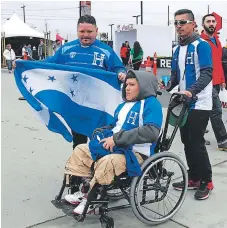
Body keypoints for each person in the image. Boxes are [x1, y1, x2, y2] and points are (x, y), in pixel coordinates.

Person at [63, 70, 163, 214]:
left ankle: (92, 199)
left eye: (132, 84)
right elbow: (113, 126)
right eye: (126, 84)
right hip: (116, 145)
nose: (126, 88)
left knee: (107, 161)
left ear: (143, 86)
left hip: (136, 153)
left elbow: (151, 132)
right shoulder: (124, 105)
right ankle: (85, 190)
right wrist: (102, 134)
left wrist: (116, 139)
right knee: (81, 150)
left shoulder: (152, 104)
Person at [45, 15, 127, 150]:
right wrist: (25, 64)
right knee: (79, 143)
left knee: (100, 141)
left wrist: (121, 73)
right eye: (82, 31)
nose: (85, 35)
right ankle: (79, 169)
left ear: (96, 31)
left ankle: (99, 169)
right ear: (77, 31)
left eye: (89, 32)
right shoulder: (66, 49)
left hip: (99, 106)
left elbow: (118, 67)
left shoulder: (106, 51)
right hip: (76, 105)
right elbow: (49, 64)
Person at [167, 9, 214, 200]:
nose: (179, 26)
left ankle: (207, 181)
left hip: (199, 103)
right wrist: (168, 85)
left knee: (196, 143)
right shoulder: (177, 49)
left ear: (193, 24)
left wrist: (191, 91)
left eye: (183, 22)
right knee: (186, 141)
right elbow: (175, 76)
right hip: (183, 103)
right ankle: (193, 176)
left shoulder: (201, 45)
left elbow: (207, 73)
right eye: (176, 23)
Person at [200, 14, 227, 150]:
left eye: (213, 21)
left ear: (216, 24)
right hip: (206, 83)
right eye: (208, 21)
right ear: (203, 24)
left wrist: (222, 79)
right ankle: (223, 141)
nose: (211, 23)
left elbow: (219, 62)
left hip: (216, 82)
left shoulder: (217, 40)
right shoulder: (200, 42)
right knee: (216, 111)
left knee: (206, 110)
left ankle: (198, 136)